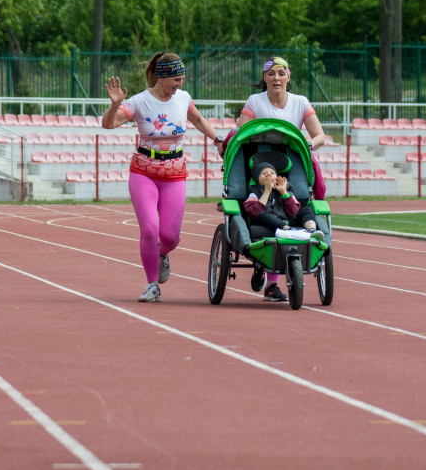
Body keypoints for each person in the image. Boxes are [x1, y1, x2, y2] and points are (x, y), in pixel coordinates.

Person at [102, 52, 225, 303]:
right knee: (149, 229)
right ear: (162, 77)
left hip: (175, 174)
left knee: (169, 236)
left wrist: (217, 139)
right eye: (176, 80)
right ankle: (152, 285)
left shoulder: (183, 99)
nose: (180, 84)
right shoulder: (139, 102)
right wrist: (115, 104)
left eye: (182, 79)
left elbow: (199, 119)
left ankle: (162, 253)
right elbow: (109, 124)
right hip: (143, 173)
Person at [236, 56, 327, 301]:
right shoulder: (255, 101)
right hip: (260, 164)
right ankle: (260, 263)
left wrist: (308, 143)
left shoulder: (300, 102)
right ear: (265, 78)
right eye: (271, 74)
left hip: (288, 165)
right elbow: (240, 132)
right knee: (263, 208)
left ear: (288, 76)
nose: (276, 78)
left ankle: (272, 284)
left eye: (281, 73)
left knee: (294, 207)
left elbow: (319, 136)